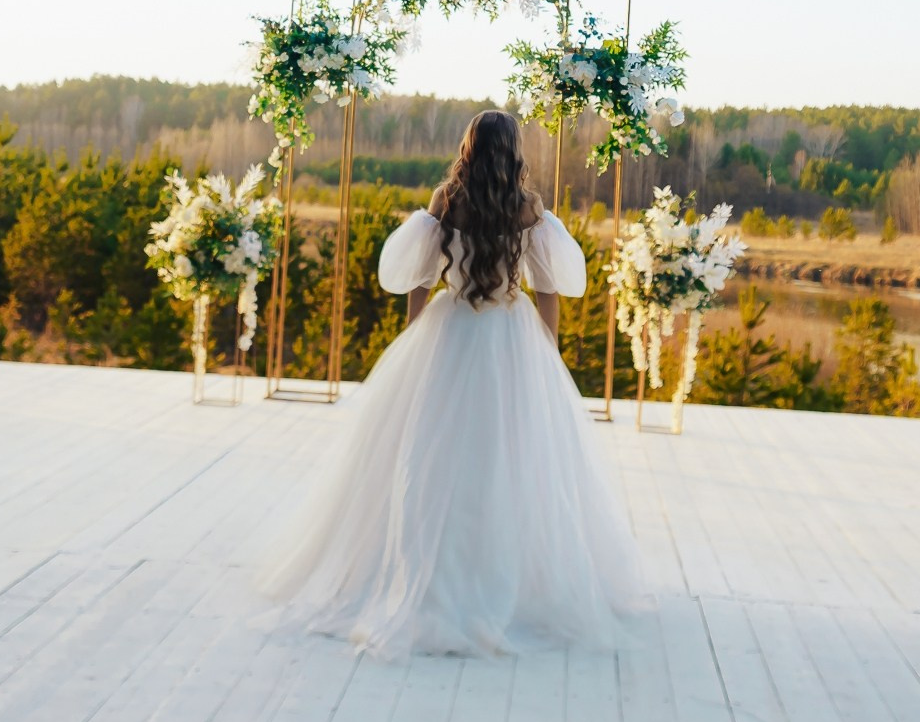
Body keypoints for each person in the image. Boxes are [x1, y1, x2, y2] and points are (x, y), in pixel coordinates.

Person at [259, 108, 647, 658]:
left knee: (431, 453)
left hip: (451, 329)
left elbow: (417, 277)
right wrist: (546, 348)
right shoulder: (529, 208)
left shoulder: (446, 199)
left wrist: (417, 335)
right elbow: (550, 290)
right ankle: (500, 575)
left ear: (469, 146)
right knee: (508, 454)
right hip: (509, 332)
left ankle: (428, 568)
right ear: (513, 150)